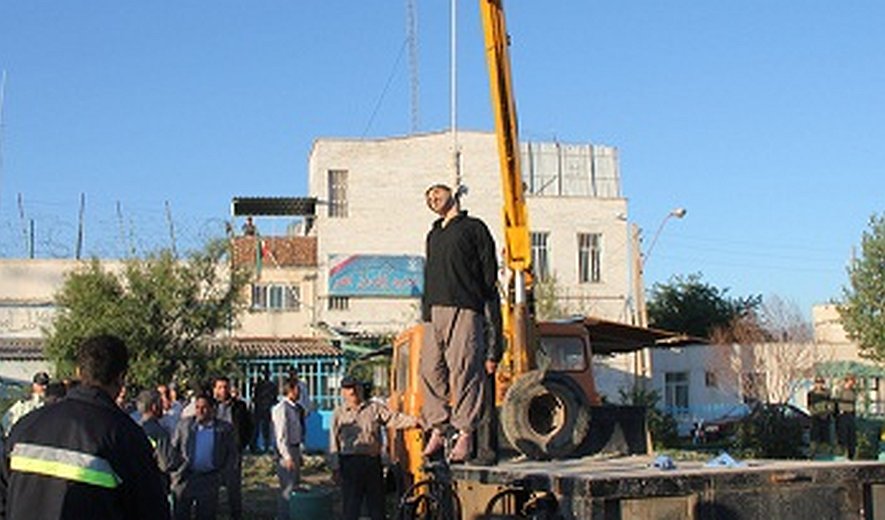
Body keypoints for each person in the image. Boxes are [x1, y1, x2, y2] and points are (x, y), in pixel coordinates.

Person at [0, 335, 169, 519]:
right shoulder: (126, 438)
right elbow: (152, 511)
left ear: (79, 372)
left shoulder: (26, 426)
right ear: (121, 378)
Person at [420, 183, 502, 462]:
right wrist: (426, 312)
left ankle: (465, 432)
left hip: (464, 306)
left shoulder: (474, 227)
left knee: (464, 369)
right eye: (429, 198)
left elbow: (488, 270)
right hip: (433, 310)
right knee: (430, 370)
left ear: (452, 194)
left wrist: (481, 302)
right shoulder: (433, 234)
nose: (433, 199)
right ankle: (439, 428)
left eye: (437, 193)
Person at [329, 376, 419, 520]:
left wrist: (415, 422)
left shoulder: (374, 408)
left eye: (354, 388)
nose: (352, 392)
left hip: (372, 463)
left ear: (360, 388)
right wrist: (335, 468)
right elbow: (333, 443)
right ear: (343, 392)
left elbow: (393, 419)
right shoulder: (339, 414)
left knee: (377, 506)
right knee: (351, 507)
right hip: (350, 464)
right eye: (347, 389)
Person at [170, 393, 237, 520]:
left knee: (206, 514)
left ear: (213, 409)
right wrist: (175, 473)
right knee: (180, 514)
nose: (200, 411)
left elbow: (232, 453)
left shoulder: (224, 429)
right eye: (197, 407)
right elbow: (174, 449)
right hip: (186, 477)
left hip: (209, 478)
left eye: (204, 407)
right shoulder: (184, 426)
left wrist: (224, 474)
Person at [213, 376, 252, 520]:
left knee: (233, 490)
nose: (223, 390)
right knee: (212, 489)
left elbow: (248, 427)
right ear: (215, 389)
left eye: (225, 387)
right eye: (220, 387)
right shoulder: (211, 406)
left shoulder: (239, 406)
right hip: (213, 452)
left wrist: (241, 444)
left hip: (233, 452)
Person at [271, 377, 305, 520]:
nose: (300, 392)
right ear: (290, 390)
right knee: (287, 487)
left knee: (295, 485)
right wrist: (287, 456)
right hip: (287, 450)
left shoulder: (295, 408)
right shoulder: (281, 408)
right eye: (297, 389)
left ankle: (294, 514)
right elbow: (281, 435)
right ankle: (284, 516)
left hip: (295, 448)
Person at [137, 389, 173, 490]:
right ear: (154, 407)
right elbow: (165, 464)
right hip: (156, 484)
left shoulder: (133, 429)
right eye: (161, 403)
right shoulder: (160, 433)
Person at [252, 372, 278, 453]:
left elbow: (254, 397)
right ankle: (263, 446)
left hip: (260, 408)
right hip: (264, 408)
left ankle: (258, 446)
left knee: (260, 428)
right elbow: (274, 398)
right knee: (262, 428)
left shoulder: (259, 385)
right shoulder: (271, 385)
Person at [807, 376, 834, 453]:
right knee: (814, 435)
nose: (819, 385)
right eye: (817, 383)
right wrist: (816, 413)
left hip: (825, 417)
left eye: (821, 383)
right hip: (815, 417)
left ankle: (824, 451)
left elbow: (831, 405)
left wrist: (826, 413)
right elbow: (810, 406)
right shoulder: (811, 393)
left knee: (825, 435)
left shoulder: (827, 393)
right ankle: (813, 451)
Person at [835, 374, 858, 459]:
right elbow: (836, 402)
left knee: (851, 436)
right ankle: (842, 454)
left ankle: (851, 455)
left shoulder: (853, 391)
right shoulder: (841, 391)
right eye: (851, 381)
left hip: (851, 414)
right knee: (843, 435)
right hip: (842, 414)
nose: (852, 383)